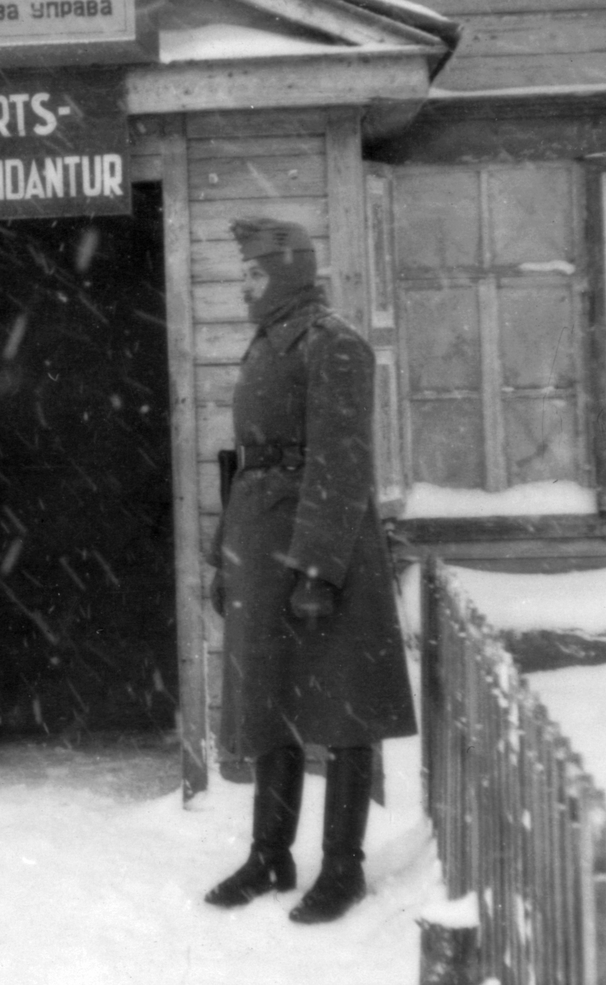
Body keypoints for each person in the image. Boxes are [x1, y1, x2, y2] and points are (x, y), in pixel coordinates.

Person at [202, 217, 416, 925]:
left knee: (344, 707)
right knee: (272, 697)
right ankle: (271, 854)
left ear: (290, 274)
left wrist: (318, 569)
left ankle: (344, 867)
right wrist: (224, 557)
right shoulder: (269, 343)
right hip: (262, 546)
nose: (244, 287)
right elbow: (248, 462)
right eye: (242, 275)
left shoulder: (335, 344)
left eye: (255, 275)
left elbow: (341, 461)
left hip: (326, 546)